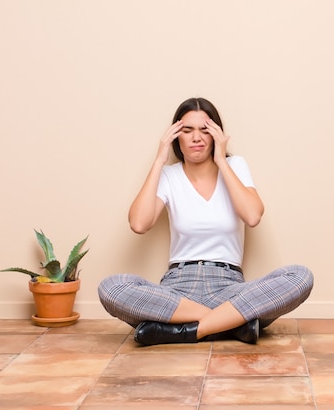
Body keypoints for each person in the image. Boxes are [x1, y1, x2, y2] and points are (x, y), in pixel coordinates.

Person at [98, 97, 313, 345]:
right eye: (187, 130)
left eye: (205, 130)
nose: (196, 137)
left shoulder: (234, 165)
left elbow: (253, 216)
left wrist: (221, 160)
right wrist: (159, 159)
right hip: (178, 291)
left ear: (216, 135)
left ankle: (185, 331)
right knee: (112, 287)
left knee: (299, 276)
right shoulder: (169, 175)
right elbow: (139, 224)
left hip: (229, 288)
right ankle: (232, 325)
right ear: (176, 136)